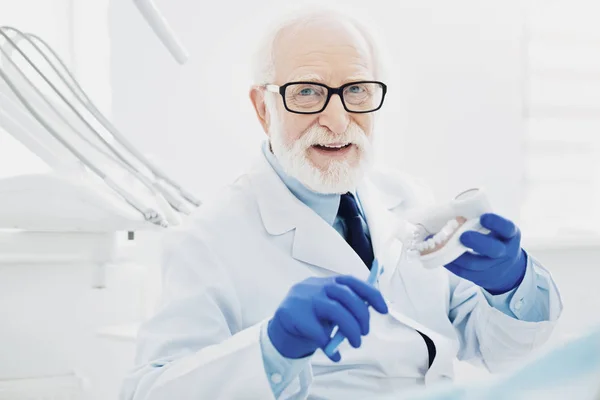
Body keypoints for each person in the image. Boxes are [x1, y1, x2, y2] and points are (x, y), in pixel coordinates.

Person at [121, 8, 562, 400]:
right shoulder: (207, 240)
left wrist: (510, 285)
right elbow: (148, 391)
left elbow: (501, 351)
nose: (336, 119)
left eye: (357, 90)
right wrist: (271, 348)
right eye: (308, 92)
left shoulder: (407, 199)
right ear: (263, 108)